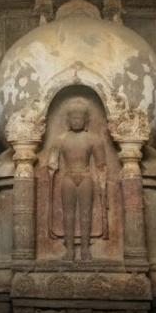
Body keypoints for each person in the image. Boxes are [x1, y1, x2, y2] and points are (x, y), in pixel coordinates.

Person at [45, 99, 107, 261]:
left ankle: (86, 249)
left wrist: (103, 180)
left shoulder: (94, 139)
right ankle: (70, 250)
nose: (77, 121)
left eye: (80, 119)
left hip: (86, 176)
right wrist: (52, 164)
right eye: (74, 118)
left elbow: (101, 164)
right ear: (68, 120)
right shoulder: (60, 139)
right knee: (68, 214)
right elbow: (52, 160)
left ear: (86, 121)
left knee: (86, 213)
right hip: (68, 178)